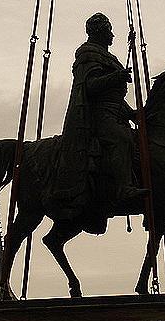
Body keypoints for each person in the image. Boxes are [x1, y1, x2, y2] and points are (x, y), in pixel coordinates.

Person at [51, 12, 146, 232]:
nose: (113, 35)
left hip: (114, 112)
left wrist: (132, 114)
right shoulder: (88, 53)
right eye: (109, 30)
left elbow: (114, 97)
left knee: (142, 143)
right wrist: (117, 77)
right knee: (121, 138)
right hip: (97, 117)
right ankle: (123, 189)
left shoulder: (108, 57)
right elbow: (91, 87)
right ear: (100, 31)